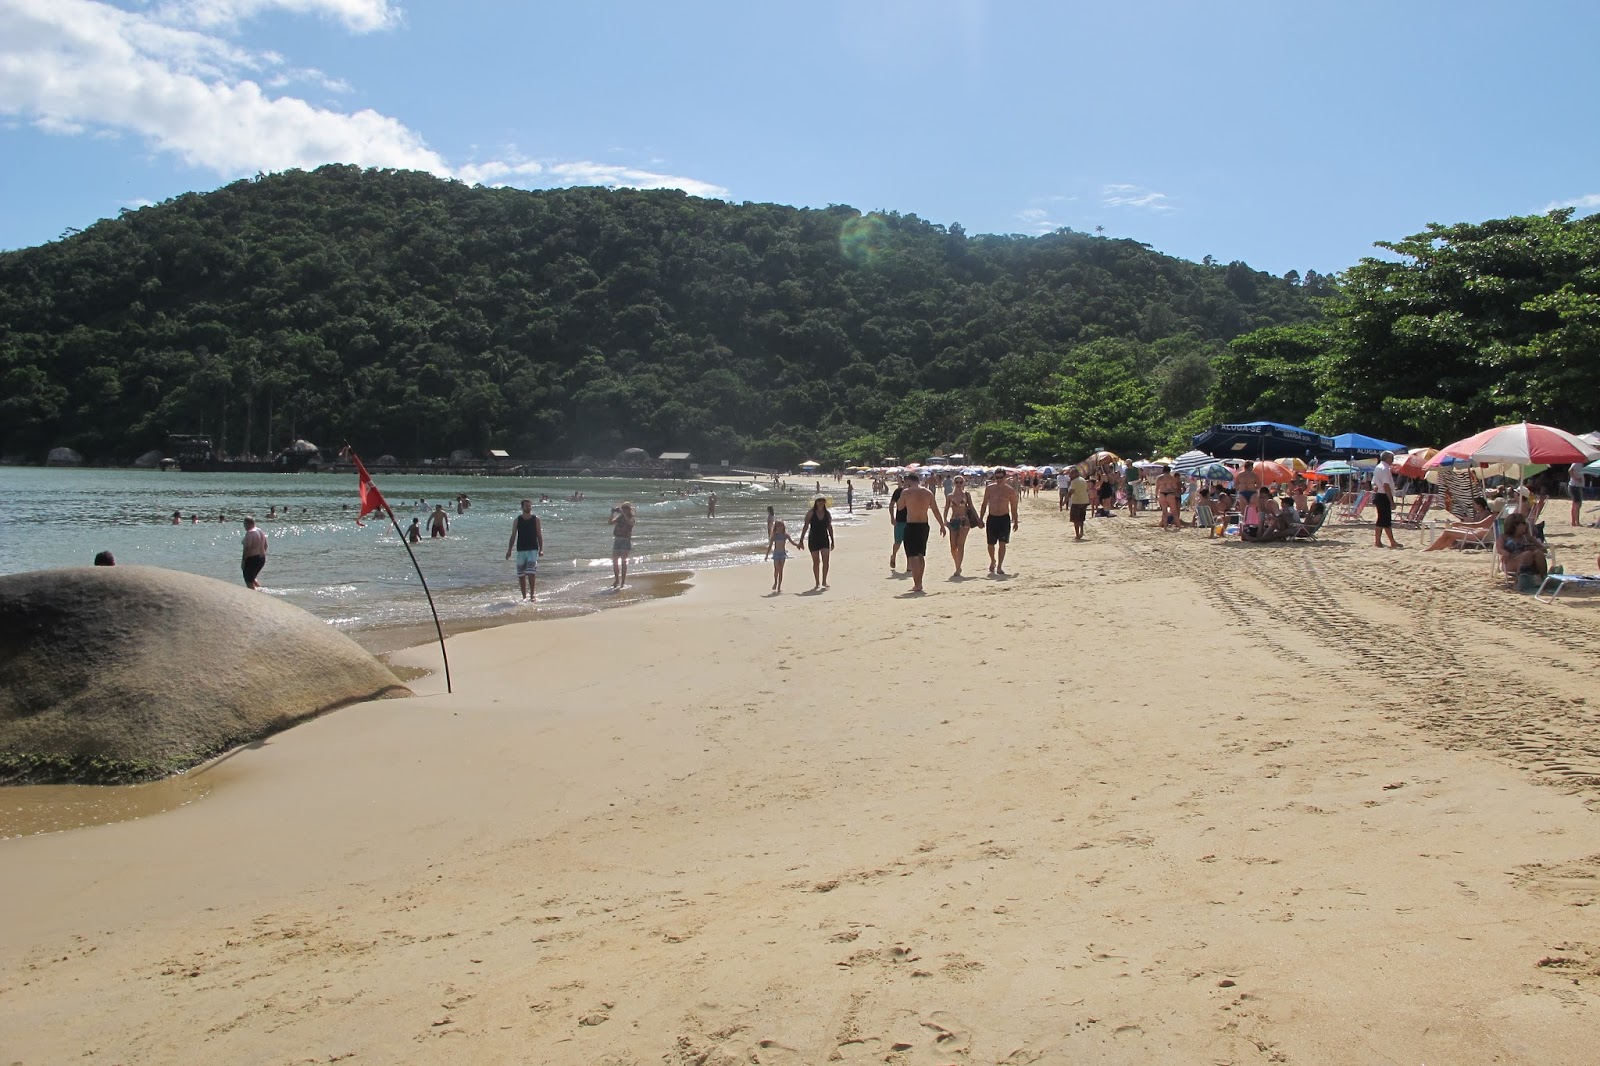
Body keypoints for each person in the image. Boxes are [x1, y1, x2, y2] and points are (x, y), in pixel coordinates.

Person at [897, 473, 946, 593]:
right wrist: (941, 525)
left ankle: (917, 583)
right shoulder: (928, 493)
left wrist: (903, 489)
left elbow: (899, 507)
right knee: (920, 554)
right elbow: (935, 510)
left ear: (908, 480)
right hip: (924, 525)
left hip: (912, 525)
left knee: (912, 555)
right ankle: (920, 582)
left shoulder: (906, 492)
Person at [980, 467, 1020, 574]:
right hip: (992, 518)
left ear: (1005, 477)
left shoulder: (1009, 490)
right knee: (990, 544)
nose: (998, 480)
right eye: (996, 477)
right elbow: (984, 504)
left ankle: (1000, 566)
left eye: (1000, 477)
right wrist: (980, 518)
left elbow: (1013, 507)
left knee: (1002, 543)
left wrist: (1015, 520)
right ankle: (993, 560)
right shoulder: (989, 488)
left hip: (1004, 518)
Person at [504, 499, 544, 601]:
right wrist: (509, 550)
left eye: (529, 505)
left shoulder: (536, 519)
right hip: (521, 549)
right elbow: (513, 536)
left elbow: (539, 535)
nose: (528, 507)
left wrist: (541, 549)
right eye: (526, 506)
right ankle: (524, 596)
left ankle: (532, 596)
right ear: (522, 507)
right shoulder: (517, 520)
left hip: (532, 549)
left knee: (531, 573)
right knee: (521, 575)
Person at [944, 475, 980, 576]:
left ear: (963, 483)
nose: (959, 484)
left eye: (961, 482)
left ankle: (958, 567)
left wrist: (978, 520)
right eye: (957, 482)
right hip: (954, 520)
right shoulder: (950, 496)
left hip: (964, 520)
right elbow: (946, 508)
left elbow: (972, 507)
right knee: (953, 546)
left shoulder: (966, 495)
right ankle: (957, 565)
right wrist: (945, 520)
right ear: (954, 483)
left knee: (960, 544)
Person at [799, 496, 835, 590]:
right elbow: (805, 526)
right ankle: (817, 582)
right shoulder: (811, 513)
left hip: (824, 538)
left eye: (822, 500)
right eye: (819, 500)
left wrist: (832, 540)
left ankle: (824, 581)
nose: (821, 502)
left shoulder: (827, 514)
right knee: (816, 562)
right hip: (813, 539)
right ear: (815, 502)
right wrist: (801, 540)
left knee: (826, 561)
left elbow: (830, 528)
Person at [1499, 512, 1547, 577]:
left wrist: (1533, 548)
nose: (1526, 525)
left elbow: (1544, 550)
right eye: (1524, 523)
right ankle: (1519, 580)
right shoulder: (1504, 537)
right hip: (1510, 562)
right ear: (1515, 525)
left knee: (1537, 553)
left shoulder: (1527, 537)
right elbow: (1499, 548)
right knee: (1527, 554)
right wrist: (1504, 552)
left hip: (1530, 563)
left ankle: (1543, 577)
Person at [1372, 451, 1400, 548]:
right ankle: (1388, 542)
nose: (1392, 460)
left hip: (1379, 495)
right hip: (1383, 496)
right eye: (1391, 458)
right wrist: (1391, 500)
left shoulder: (1378, 467)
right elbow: (1386, 485)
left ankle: (1384, 541)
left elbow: (1374, 483)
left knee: (1382, 520)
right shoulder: (1385, 468)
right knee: (1384, 520)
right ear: (1387, 458)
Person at [765, 518, 799, 592]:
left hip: (782, 554)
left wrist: (798, 545)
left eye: (781, 526)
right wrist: (767, 555)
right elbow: (770, 546)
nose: (779, 528)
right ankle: (775, 582)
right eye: (778, 526)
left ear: (783, 527)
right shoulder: (774, 536)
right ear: (776, 527)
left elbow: (792, 542)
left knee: (781, 570)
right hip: (776, 553)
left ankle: (779, 585)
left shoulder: (785, 535)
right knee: (776, 569)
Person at [608, 502, 635, 589]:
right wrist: (612, 513)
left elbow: (630, 524)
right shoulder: (620, 517)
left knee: (623, 562)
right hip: (617, 540)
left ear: (628, 510)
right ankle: (616, 580)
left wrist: (624, 514)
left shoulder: (631, 518)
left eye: (625, 509)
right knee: (615, 562)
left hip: (625, 541)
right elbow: (610, 523)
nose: (623, 510)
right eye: (622, 509)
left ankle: (623, 582)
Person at [240, 517, 267, 589]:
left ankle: (254, 595)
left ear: (249, 524)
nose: (244, 526)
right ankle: (261, 590)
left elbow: (247, 549)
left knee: (248, 580)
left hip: (252, 558)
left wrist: (243, 561)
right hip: (262, 558)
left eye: (244, 524)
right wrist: (263, 555)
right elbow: (266, 545)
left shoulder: (250, 533)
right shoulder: (260, 531)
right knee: (252, 577)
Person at [888, 477, 907, 571]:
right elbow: (891, 505)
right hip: (900, 521)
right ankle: (894, 555)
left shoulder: (914, 492)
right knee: (898, 542)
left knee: (910, 543)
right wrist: (892, 517)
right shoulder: (898, 492)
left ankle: (909, 566)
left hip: (911, 521)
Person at [1154, 465, 1181, 529]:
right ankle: (1179, 525)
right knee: (1174, 511)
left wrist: (1156, 495)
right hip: (1170, 493)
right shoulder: (1171, 478)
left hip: (1162, 493)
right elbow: (1175, 487)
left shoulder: (1159, 478)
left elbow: (1157, 488)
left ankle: (1165, 526)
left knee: (1164, 511)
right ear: (1169, 471)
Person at [1066, 470, 1090, 540]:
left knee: (1075, 519)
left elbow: (1071, 492)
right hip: (1084, 500)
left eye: (1071, 474)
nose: (1070, 475)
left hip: (1077, 501)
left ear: (1075, 474)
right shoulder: (1083, 480)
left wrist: (1066, 500)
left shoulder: (1074, 481)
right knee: (1081, 518)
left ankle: (1077, 534)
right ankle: (1081, 531)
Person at [1569, 461, 1587, 526]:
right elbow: (1570, 470)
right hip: (1574, 486)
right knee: (1577, 504)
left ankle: (1574, 522)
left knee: (1575, 504)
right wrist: (1576, 479)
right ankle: (1576, 522)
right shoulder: (1577, 462)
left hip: (1576, 486)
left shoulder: (1580, 463)